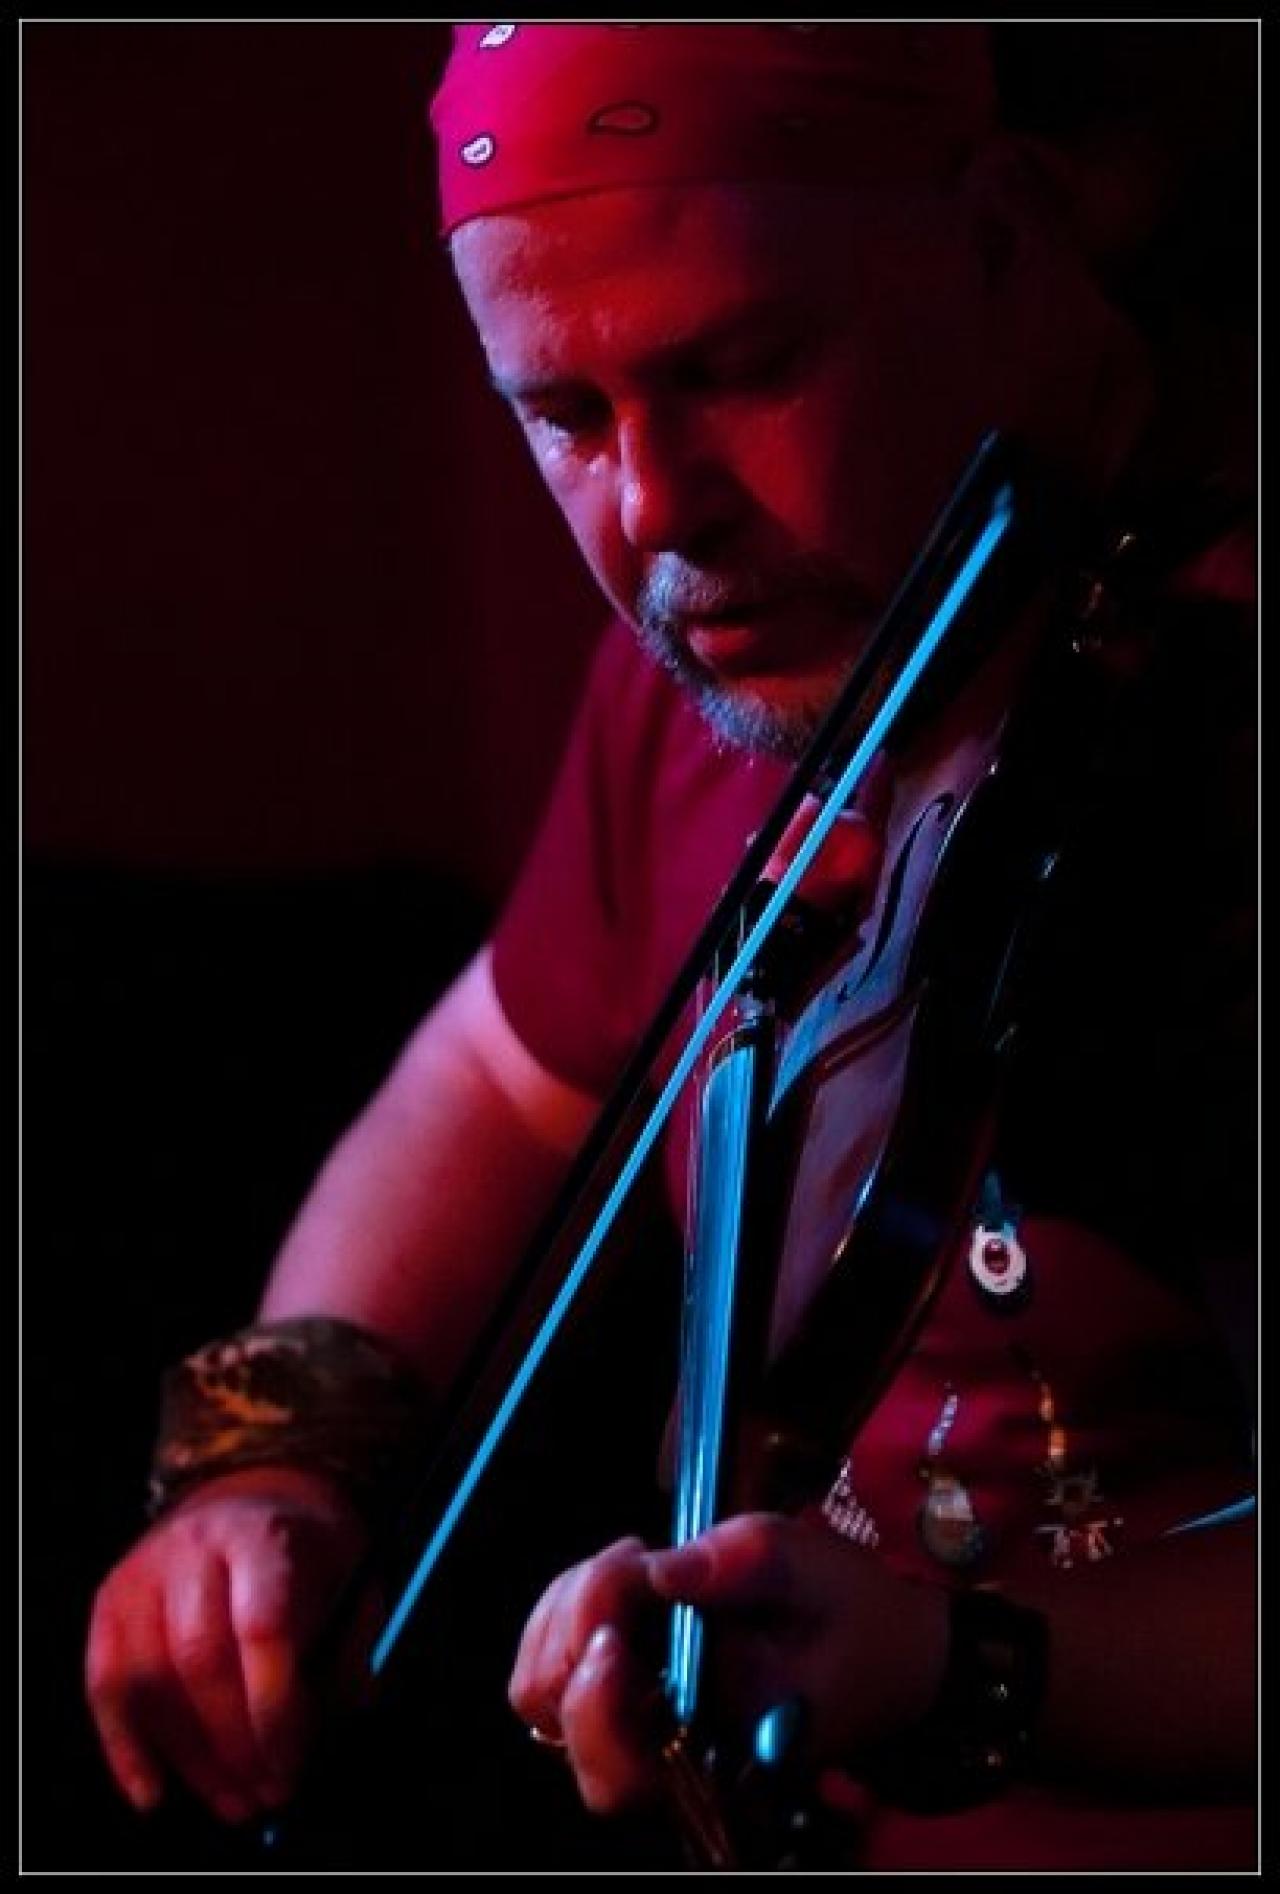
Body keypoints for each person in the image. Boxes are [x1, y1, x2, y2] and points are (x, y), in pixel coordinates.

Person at [84, 24, 1257, 1871]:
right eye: (566, 415)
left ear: (1003, 231)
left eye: (742, 364)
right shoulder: (734, 658)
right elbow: (494, 1073)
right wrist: (271, 1459)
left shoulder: (1219, 728)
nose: (654, 510)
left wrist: (952, 1662)